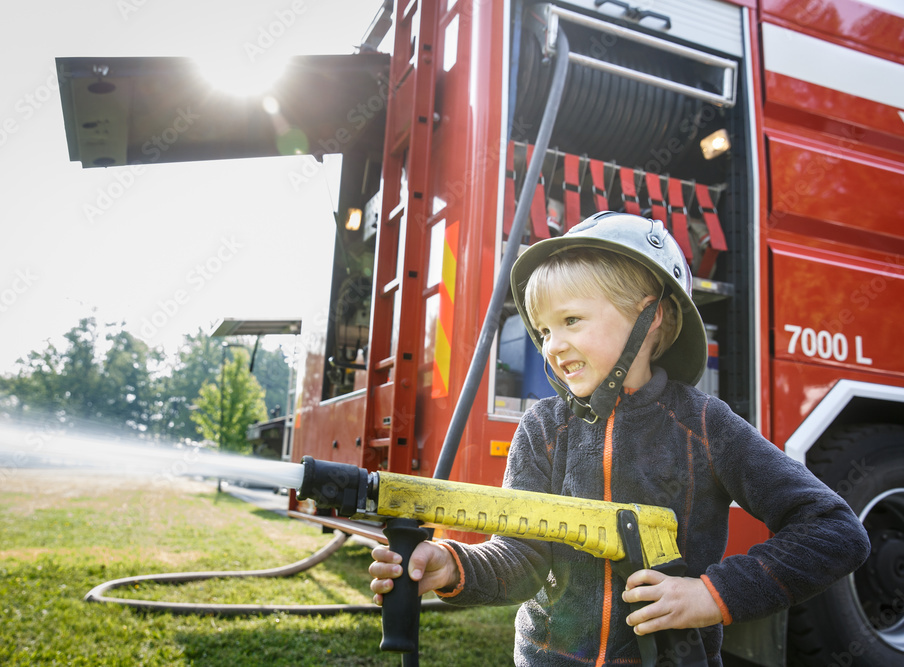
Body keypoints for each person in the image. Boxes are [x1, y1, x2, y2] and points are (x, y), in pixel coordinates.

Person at [369, 211, 870, 666]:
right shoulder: (542, 428)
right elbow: (521, 560)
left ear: (651, 318)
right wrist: (451, 566)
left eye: (570, 321)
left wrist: (711, 595)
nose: (552, 346)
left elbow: (834, 530)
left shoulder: (705, 426)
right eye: (543, 330)